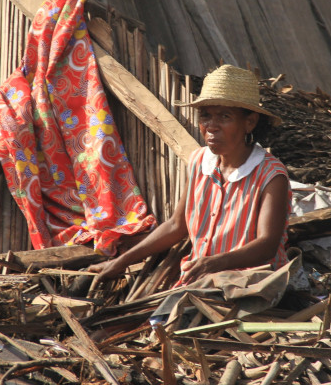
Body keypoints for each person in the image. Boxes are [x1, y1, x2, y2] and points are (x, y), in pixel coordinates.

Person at [88, 64, 292, 303]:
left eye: (224, 117)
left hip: (251, 286)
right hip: (201, 282)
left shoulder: (270, 175)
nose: (211, 126)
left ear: (250, 122)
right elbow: (177, 224)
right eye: (206, 115)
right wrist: (122, 261)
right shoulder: (199, 162)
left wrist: (215, 262)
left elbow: (267, 246)